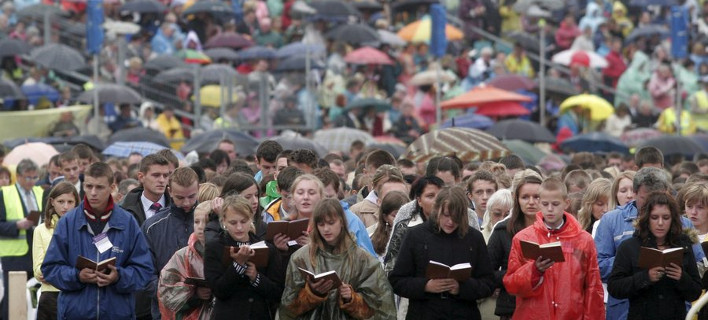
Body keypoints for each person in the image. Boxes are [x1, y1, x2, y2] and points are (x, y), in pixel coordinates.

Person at [41, 162, 153, 319]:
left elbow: (144, 270)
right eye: (89, 186)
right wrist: (77, 276)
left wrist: (118, 276)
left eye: (99, 187)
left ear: (112, 187)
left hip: (117, 313)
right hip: (75, 314)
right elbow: (50, 268)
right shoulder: (67, 222)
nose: (93, 192)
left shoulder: (127, 222)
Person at [595, 167, 705, 320]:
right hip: (627, 311)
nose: (660, 223)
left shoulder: (684, 238)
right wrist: (643, 274)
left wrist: (681, 277)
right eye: (654, 217)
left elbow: (696, 283)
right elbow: (605, 274)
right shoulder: (625, 240)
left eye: (666, 218)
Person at [504, 177, 605, 319]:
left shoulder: (583, 240)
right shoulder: (522, 238)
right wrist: (534, 270)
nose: (550, 209)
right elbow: (511, 286)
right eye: (545, 204)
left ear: (566, 203)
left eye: (555, 204)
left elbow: (593, 287)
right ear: (539, 203)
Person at [279, 198, 396, 319]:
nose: (326, 229)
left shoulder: (364, 260)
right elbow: (288, 307)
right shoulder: (301, 258)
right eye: (321, 224)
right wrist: (312, 294)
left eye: (331, 223)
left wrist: (351, 299)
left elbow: (382, 309)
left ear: (341, 222)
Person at [389, 187, 495, 319]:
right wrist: (425, 286)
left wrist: (461, 288)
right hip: (424, 313)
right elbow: (397, 281)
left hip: (463, 313)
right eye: (446, 215)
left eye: (456, 217)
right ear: (436, 210)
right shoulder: (415, 235)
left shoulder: (474, 238)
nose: (450, 222)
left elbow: (488, 283)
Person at [204, 195, 285, 320]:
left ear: (251, 219)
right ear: (224, 221)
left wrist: (256, 277)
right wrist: (238, 265)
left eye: (244, 221)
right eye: (233, 222)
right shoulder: (215, 247)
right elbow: (218, 290)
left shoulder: (267, 248)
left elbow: (277, 292)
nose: (239, 227)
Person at [142, 167, 200, 320]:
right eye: (180, 197)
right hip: (166, 311)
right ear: (170, 191)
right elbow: (146, 272)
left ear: (199, 189)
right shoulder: (152, 226)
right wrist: (173, 296)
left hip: (205, 309)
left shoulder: (212, 221)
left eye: (192, 196)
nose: (186, 203)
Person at [487, 169, 542, 319]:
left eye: (536, 197)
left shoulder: (556, 230)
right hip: (512, 307)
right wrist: (517, 275)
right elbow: (486, 272)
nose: (531, 202)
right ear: (516, 198)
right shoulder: (502, 230)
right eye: (525, 197)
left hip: (547, 305)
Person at [0, 159, 42, 320]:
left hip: (37, 254)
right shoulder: (4, 193)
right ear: (18, 176)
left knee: (33, 298)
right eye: (28, 178)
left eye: (35, 177)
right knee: (14, 299)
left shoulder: (39, 192)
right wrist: (17, 225)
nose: (32, 182)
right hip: (15, 256)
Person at [158, 200, 214, 320]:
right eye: (196, 221)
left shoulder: (227, 252)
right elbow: (166, 288)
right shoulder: (183, 256)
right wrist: (195, 294)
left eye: (206, 222)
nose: (200, 227)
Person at [32, 182, 78, 320]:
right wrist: (70, 273)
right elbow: (39, 271)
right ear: (52, 202)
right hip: (51, 296)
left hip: (76, 293)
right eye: (61, 201)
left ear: (76, 203)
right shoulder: (41, 230)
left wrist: (54, 272)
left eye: (70, 202)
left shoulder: (83, 228)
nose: (65, 206)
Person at [120, 154, 172, 226]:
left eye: (165, 176)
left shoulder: (177, 206)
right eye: (156, 175)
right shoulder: (125, 209)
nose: (162, 180)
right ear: (141, 177)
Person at [369, 190, 409, 262]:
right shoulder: (371, 240)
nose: (401, 220)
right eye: (395, 216)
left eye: (405, 215)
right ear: (385, 217)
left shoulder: (417, 237)